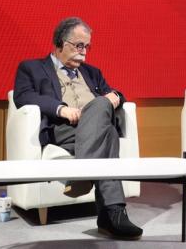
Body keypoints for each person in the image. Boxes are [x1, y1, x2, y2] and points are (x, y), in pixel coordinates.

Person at [13, 17, 143, 239]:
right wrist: (60, 109)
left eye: (87, 47)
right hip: (63, 128)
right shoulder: (32, 68)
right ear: (60, 43)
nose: (84, 52)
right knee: (108, 132)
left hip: (94, 127)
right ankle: (112, 215)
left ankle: (84, 180)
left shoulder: (92, 72)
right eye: (79, 45)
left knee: (104, 114)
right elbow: (23, 96)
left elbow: (115, 93)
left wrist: (116, 96)